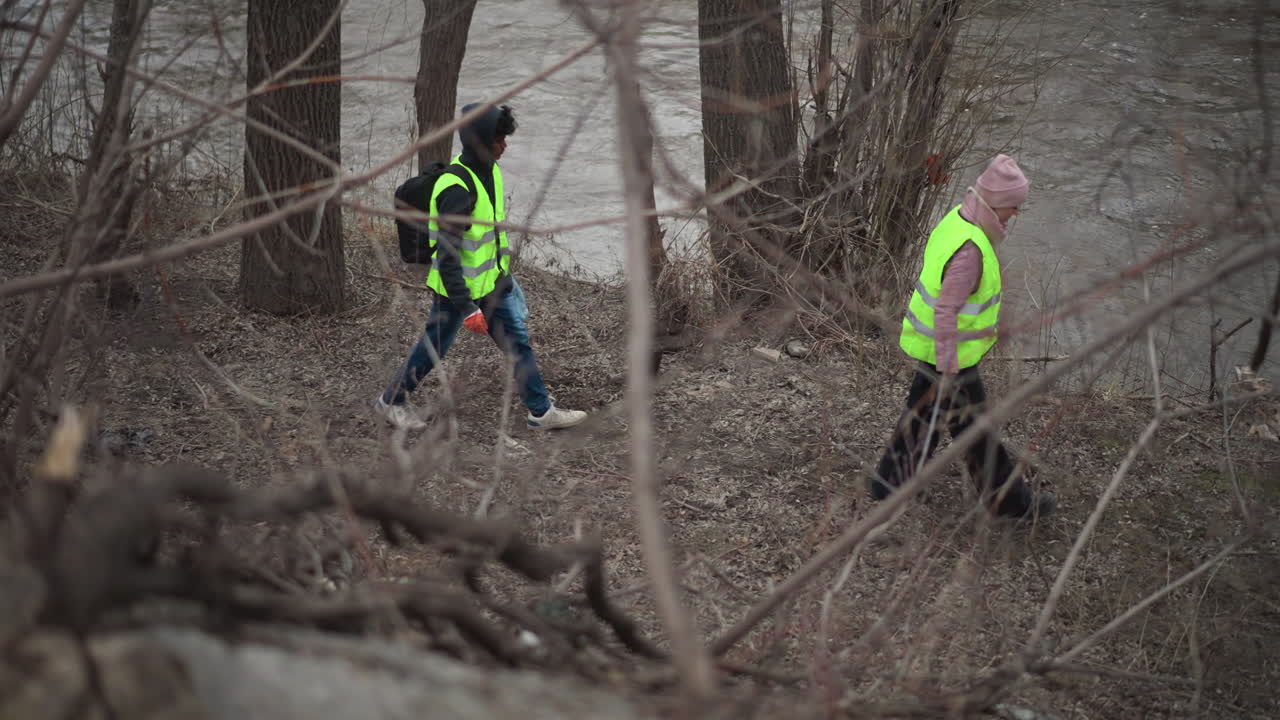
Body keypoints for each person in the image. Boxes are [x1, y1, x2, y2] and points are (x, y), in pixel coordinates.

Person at [375, 103, 587, 432]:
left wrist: (505, 277)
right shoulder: (457, 191)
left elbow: (490, 235)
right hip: (457, 292)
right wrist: (467, 307)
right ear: (479, 143)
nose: (505, 145)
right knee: (434, 346)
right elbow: (447, 258)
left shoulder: (488, 171)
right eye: (499, 139)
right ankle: (392, 401)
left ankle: (540, 411)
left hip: (491, 284)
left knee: (518, 342)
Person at [869, 154, 1056, 520]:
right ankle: (1010, 505)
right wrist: (950, 367)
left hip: (939, 355)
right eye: (1012, 207)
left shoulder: (959, 220)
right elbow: (946, 310)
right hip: (949, 359)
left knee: (924, 422)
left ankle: (889, 485)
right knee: (976, 433)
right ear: (996, 204)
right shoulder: (971, 250)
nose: (1014, 215)